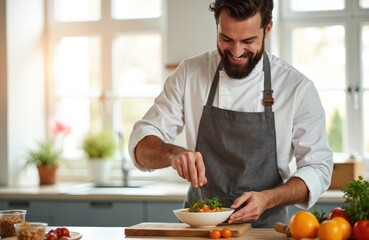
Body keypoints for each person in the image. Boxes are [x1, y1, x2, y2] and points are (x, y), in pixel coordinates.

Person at [128, 0, 333, 228]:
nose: (236, 52)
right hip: (201, 231)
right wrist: (172, 154)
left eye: (248, 41)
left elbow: (318, 169)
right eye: (226, 39)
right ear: (217, 26)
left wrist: (268, 199)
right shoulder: (189, 74)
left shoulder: (296, 88)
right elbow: (141, 143)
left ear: (267, 29)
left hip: (267, 231)